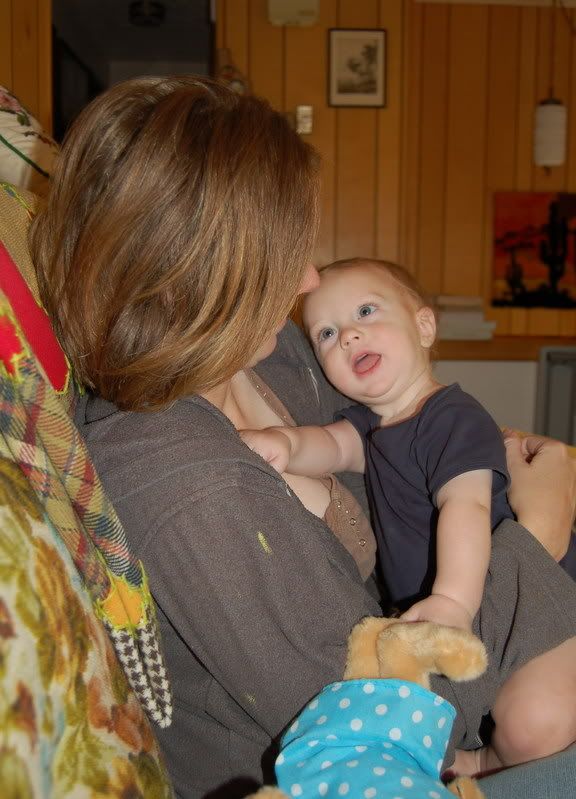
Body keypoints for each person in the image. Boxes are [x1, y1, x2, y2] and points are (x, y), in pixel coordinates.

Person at [28, 76, 576, 798]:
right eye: (285, 253)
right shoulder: (191, 490)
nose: (309, 278)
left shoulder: (271, 356)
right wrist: (537, 534)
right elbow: (395, 721)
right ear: (206, 273)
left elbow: (399, 437)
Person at [241, 257, 576, 774]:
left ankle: (482, 764)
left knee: (535, 725)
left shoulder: (453, 418)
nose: (348, 335)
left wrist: (453, 600)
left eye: (366, 312)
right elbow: (330, 445)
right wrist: (284, 444)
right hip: (474, 608)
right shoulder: (369, 426)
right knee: (513, 710)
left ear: (423, 327)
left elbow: (466, 505)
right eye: (326, 333)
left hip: (536, 601)